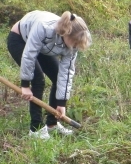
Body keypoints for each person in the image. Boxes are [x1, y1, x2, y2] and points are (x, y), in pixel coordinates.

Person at [7, 10, 92, 140]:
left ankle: (52, 123)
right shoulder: (44, 28)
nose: (75, 47)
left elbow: (66, 72)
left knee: (57, 76)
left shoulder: (74, 42)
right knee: (38, 79)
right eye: (74, 43)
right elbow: (29, 55)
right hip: (20, 39)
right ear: (67, 34)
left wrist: (61, 102)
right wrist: (25, 84)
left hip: (42, 45)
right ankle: (36, 129)